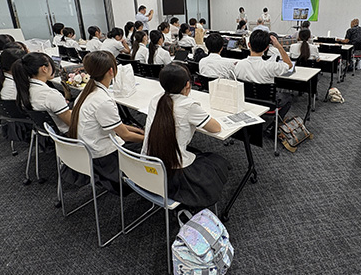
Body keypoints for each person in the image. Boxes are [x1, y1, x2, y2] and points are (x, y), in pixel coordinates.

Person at [143, 63, 229, 208]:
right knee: (218, 163)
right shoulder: (189, 105)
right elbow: (216, 128)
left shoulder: (156, 99)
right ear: (188, 84)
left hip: (148, 166)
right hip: (173, 173)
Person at [68, 51, 144, 193]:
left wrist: (138, 130)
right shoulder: (103, 100)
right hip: (104, 158)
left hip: (89, 150)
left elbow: (116, 126)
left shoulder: (87, 92)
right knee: (150, 149)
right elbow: (125, 135)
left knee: (139, 134)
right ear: (111, 71)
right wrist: (149, 138)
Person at [235, 30, 293, 123]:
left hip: (246, 102)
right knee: (288, 97)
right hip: (268, 105)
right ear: (266, 48)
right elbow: (289, 65)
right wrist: (279, 46)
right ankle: (274, 126)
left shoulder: (238, 65)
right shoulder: (271, 66)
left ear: (249, 45)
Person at [12, 52, 71, 133]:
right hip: (66, 134)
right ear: (44, 69)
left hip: (46, 133)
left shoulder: (25, 89)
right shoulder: (50, 94)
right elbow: (71, 122)